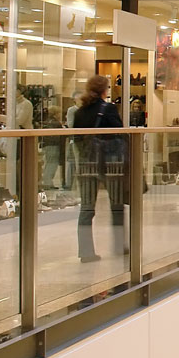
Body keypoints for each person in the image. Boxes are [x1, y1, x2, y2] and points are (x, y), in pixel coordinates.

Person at [73, 74, 125, 263]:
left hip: (86, 164)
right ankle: (120, 245)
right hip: (110, 164)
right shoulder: (109, 109)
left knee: (87, 208)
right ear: (105, 90)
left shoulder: (80, 111)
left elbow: (76, 139)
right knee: (116, 205)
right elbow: (120, 134)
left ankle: (86, 252)